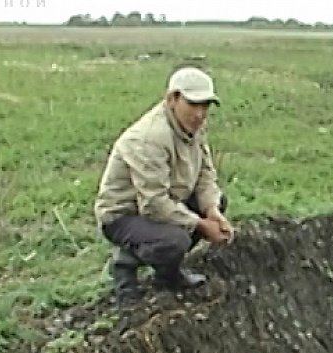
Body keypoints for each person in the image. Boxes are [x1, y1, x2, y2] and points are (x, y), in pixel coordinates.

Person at [94, 67, 234, 305]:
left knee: (218, 200)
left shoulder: (194, 126)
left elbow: (205, 175)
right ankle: (124, 265)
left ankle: (167, 276)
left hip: (166, 201)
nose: (200, 114)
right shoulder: (149, 138)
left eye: (205, 106)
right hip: (124, 215)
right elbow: (154, 205)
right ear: (172, 99)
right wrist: (201, 225)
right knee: (175, 240)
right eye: (192, 104)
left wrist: (212, 212)